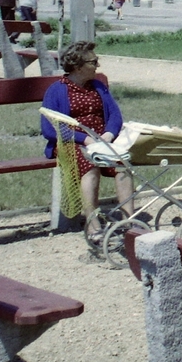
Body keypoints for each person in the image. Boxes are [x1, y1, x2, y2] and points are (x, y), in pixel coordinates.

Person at [40, 40, 133, 240]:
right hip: (71, 143)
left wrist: (108, 134)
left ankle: (129, 222)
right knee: (90, 167)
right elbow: (49, 129)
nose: (97, 66)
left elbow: (115, 115)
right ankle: (92, 222)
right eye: (93, 62)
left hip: (103, 141)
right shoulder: (56, 91)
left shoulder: (98, 86)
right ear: (78, 66)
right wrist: (85, 139)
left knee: (122, 165)